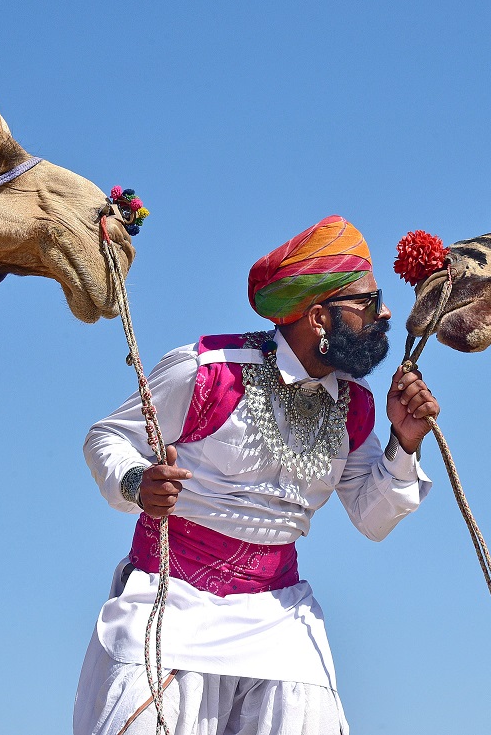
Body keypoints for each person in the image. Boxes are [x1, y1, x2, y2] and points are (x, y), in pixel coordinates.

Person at [75, 215, 439, 735]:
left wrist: (405, 444)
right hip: (171, 601)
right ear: (318, 317)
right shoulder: (208, 371)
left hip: (280, 617)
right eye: (366, 302)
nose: (384, 313)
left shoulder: (354, 406)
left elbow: (372, 517)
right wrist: (136, 482)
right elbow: (107, 436)